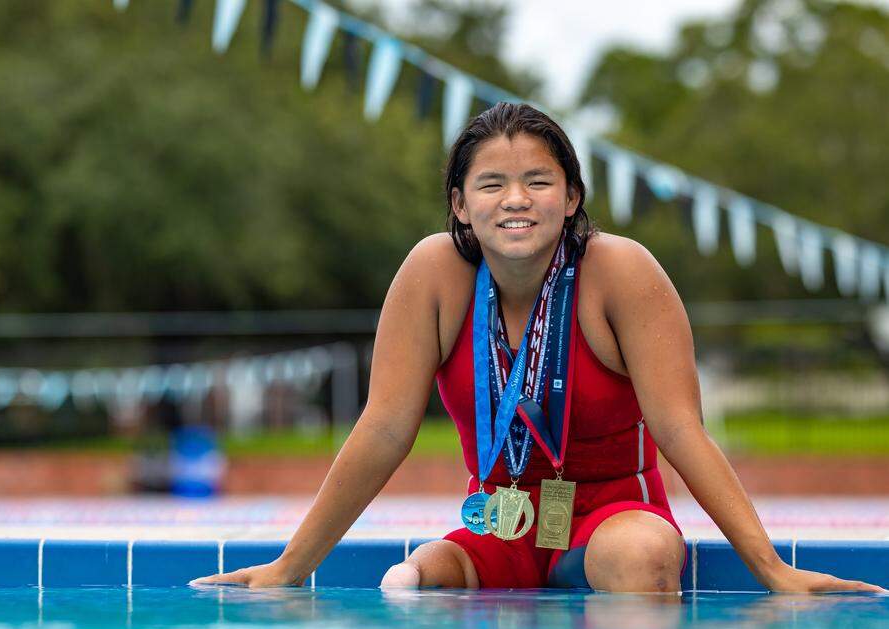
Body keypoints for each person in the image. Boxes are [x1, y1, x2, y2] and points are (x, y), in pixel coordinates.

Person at [192, 103, 884, 592]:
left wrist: (771, 568)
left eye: (539, 181)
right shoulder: (434, 274)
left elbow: (679, 427)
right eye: (491, 183)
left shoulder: (621, 272)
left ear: (572, 197)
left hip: (616, 515)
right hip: (501, 519)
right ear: (461, 203)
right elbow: (383, 428)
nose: (515, 199)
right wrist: (289, 568)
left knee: (642, 559)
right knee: (406, 583)